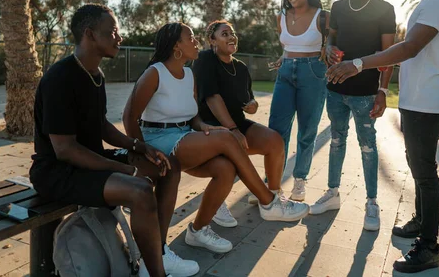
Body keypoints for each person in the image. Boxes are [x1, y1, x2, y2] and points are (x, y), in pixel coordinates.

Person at [29, 4, 198, 277]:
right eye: (113, 32)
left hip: (88, 160)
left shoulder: (96, 75)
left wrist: (140, 147)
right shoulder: (60, 78)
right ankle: (155, 272)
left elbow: (101, 126)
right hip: (57, 172)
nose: (119, 38)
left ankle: (159, 251)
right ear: (90, 34)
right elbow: (65, 150)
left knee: (169, 166)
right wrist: (126, 170)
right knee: (140, 191)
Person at [326, 0, 439, 273]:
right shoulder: (430, 2)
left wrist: (360, 64)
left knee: (425, 172)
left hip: (426, 103)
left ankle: (428, 247)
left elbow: (409, 47)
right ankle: (420, 221)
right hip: (416, 101)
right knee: (417, 166)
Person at [123, 22, 310, 255]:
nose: (195, 42)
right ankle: (269, 202)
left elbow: (193, 118)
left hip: (184, 135)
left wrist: (205, 127)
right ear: (176, 46)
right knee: (227, 138)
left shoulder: (189, 74)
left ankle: (198, 231)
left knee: (225, 168)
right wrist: (142, 154)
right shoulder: (155, 73)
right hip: (157, 140)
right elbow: (129, 117)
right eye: (190, 38)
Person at [308, 0, 396, 233]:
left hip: (366, 91)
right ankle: (333, 193)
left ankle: (371, 202)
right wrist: (329, 47)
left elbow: (388, 54)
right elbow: (331, 36)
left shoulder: (385, 8)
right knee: (336, 140)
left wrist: (382, 90)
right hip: (335, 89)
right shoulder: (339, 7)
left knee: (367, 146)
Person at [192, 20, 286, 227]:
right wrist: (232, 130)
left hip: (237, 123)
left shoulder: (241, 68)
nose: (231, 36)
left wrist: (252, 105)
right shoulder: (205, 59)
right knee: (230, 156)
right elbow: (212, 97)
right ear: (212, 40)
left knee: (275, 142)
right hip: (209, 127)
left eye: (232, 33)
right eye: (224, 34)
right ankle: (216, 203)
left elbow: (248, 99)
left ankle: (272, 195)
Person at [268, 0, 328, 201]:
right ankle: (272, 183)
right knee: (276, 130)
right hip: (285, 72)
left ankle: (300, 181)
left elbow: (332, 44)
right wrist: (284, 59)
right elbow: (286, 46)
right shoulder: (281, 17)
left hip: (312, 72)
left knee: (307, 130)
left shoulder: (323, 17)